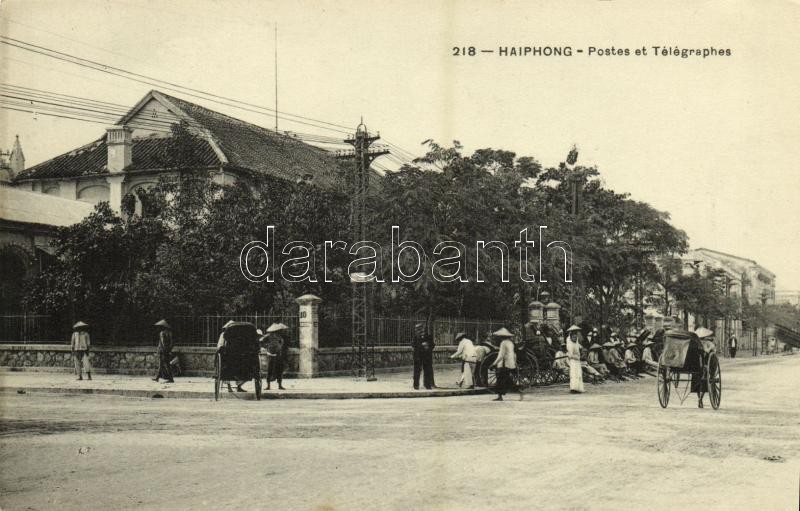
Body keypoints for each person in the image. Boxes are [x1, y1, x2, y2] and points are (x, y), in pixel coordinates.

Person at [490, 327, 523, 401]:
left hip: (504, 365)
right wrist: (515, 363)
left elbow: (501, 355)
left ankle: (516, 391)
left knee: (502, 380)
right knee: (505, 380)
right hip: (510, 364)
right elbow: (514, 354)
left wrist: (494, 364)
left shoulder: (503, 343)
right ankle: (501, 395)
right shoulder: (511, 343)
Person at [692, 327, 714, 408]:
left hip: (695, 366)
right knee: (703, 382)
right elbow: (712, 353)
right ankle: (700, 399)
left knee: (698, 382)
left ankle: (699, 398)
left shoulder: (694, 343)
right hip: (704, 365)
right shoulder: (709, 343)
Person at [264, 322, 290, 390]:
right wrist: (267, 347)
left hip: (279, 355)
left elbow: (281, 344)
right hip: (271, 355)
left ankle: (279, 385)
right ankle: (268, 385)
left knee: (279, 370)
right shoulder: (268, 336)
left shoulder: (280, 336)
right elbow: (261, 341)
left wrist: (280, 348)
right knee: (270, 370)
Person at [412, 323, 435, 390]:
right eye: (417, 329)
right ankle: (416, 385)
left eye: (419, 329)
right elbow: (413, 345)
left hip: (426, 357)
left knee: (427, 371)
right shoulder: (415, 337)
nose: (418, 331)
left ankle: (427, 385)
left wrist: (427, 345)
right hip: (418, 357)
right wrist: (421, 346)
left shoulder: (428, 336)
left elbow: (433, 345)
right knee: (416, 371)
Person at [565, 325, 584, 393]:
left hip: (577, 360)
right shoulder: (570, 344)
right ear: (571, 336)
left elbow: (578, 347)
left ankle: (578, 388)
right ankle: (573, 388)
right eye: (573, 336)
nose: (575, 338)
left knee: (578, 373)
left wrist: (580, 348)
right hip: (573, 360)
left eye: (576, 336)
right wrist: (576, 357)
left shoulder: (576, 342)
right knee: (574, 374)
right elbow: (570, 355)